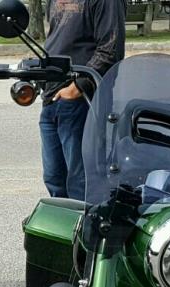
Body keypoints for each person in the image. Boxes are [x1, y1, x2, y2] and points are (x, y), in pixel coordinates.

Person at [40, 0, 125, 201]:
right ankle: (62, 230)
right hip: (52, 98)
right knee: (54, 179)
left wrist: (78, 87)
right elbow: (58, 39)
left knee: (81, 181)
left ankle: (88, 229)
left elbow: (110, 49)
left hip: (82, 101)